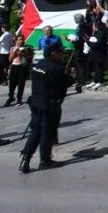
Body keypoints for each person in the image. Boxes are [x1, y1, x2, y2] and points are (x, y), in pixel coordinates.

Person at [18, 39, 71, 173]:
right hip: (50, 104)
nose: (61, 54)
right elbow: (65, 82)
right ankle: (45, 160)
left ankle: (26, 157)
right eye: (59, 52)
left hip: (36, 102)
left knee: (35, 131)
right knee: (47, 133)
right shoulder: (56, 67)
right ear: (52, 53)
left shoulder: (39, 64)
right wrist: (68, 74)